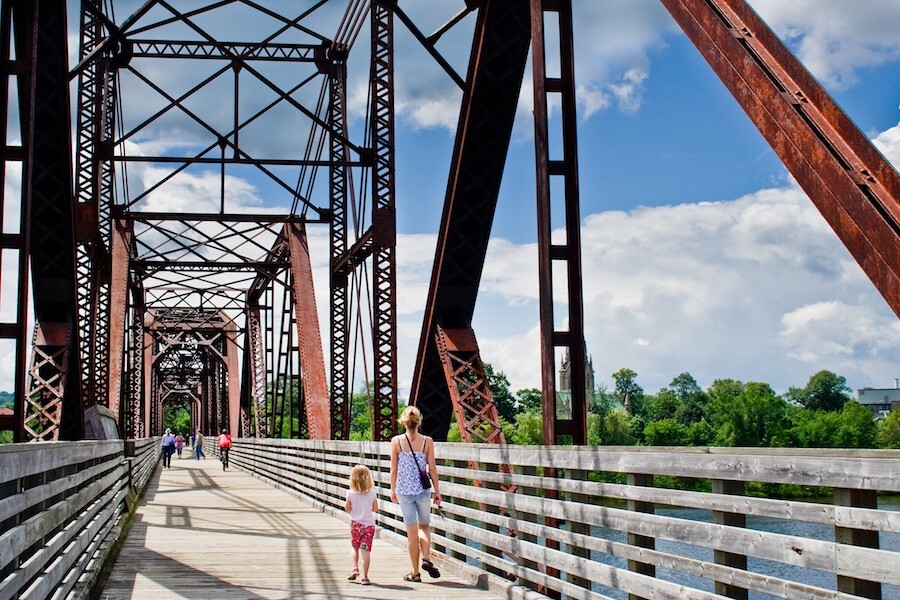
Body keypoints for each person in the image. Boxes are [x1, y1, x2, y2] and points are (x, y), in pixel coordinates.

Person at [390, 406, 441, 582]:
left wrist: (392, 489)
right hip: (423, 491)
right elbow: (432, 469)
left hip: (404, 492)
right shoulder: (427, 441)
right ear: (419, 421)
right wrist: (437, 491)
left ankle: (415, 572)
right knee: (424, 527)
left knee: (411, 533)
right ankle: (426, 558)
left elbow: (394, 469)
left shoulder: (396, 441)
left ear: (403, 422)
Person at [345, 464, 378, 586]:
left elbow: (347, 509)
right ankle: (365, 576)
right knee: (366, 551)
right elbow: (375, 509)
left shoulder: (350, 493)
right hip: (368, 526)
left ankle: (355, 567)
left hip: (355, 525)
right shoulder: (372, 493)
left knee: (355, 547)